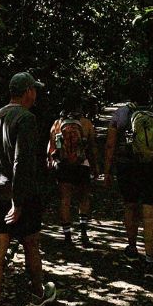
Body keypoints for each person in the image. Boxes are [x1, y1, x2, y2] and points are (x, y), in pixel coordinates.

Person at [0, 71, 56, 306]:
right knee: (31, 243)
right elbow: (21, 161)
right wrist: (19, 202)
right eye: (34, 90)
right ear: (27, 92)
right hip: (19, 194)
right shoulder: (27, 118)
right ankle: (38, 294)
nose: (35, 94)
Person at [102, 85, 153, 269]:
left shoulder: (120, 114)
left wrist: (107, 170)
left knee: (130, 206)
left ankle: (132, 248)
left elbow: (110, 145)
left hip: (128, 166)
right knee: (151, 213)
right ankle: (150, 257)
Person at [47, 96, 98, 248]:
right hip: (82, 165)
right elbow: (92, 147)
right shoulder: (86, 123)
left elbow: (51, 148)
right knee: (83, 198)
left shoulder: (57, 124)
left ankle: (67, 235)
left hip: (63, 166)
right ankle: (83, 232)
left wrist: (50, 163)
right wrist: (96, 167)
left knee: (65, 200)